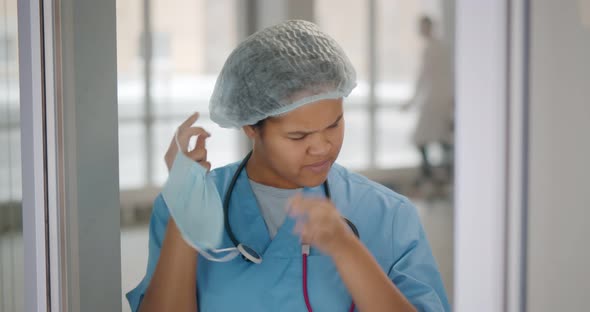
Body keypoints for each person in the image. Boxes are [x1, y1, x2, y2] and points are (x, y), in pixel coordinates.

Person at [127, 20, 449, 312]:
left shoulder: (387, 215)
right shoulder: (190, 203)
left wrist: (347, 250)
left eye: (334, 124)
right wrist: (186, 218)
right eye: (298, 136)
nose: (323, 147)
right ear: (251, 127)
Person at [402, 16, 454, 186]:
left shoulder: (432, 49)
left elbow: (423, 77)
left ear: (429, 27)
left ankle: (435, 175)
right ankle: (441, 175)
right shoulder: (443, 47)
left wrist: (411, 102)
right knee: (441, 139)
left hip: (435, 100)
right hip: (442, 99)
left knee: (424, 139)